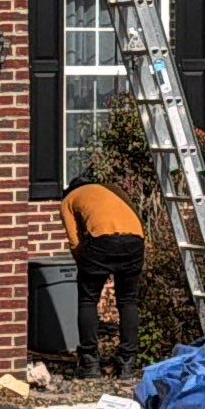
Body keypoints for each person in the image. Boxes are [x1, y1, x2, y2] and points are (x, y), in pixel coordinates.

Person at [63, 152, 152, 376]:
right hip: (134, 240)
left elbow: (74, 241)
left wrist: (83, 264)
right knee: (128, 300)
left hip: (101, 242)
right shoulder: (114, 190)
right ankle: (127, 362)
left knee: (88, 299)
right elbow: (137, 219)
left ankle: (90, 362)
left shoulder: (69, 200)